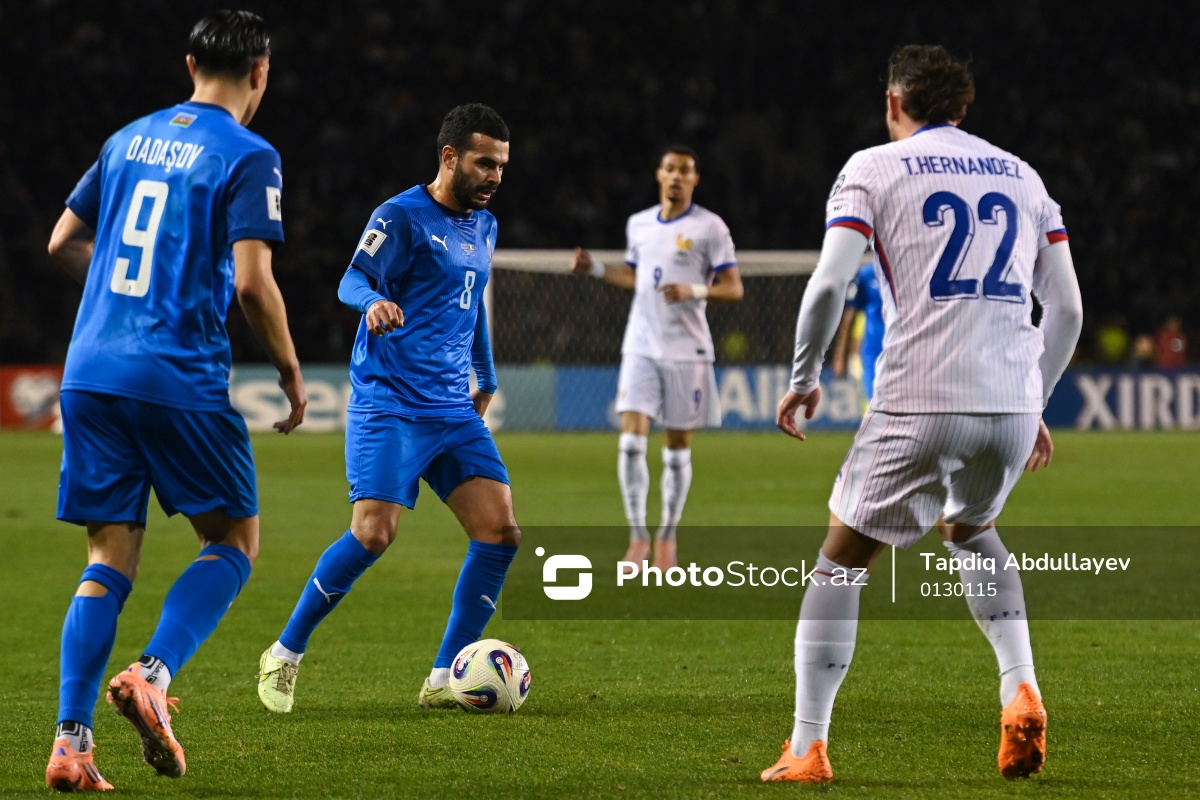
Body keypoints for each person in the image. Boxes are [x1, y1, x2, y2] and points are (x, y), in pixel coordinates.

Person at [762, 45, 1083, 783]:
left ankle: (808, 746)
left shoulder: (872, 167)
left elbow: (827, 286)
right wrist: (1033, 399)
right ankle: (1019, 683)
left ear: (891, 102)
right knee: (972, 531)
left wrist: (804, 378)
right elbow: (1066, 308)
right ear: (963, 108)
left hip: (918, 395)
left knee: (840, 565)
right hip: (1007, 401)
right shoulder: (1024, 176)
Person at [44, 10, 307, 792]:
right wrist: (291, 369)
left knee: (106, 559)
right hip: (176, 369)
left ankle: (71, 742)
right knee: (233, 539)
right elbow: (254, 282)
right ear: (260, 72)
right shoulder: (250, 153)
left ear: (189, 62)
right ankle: (153, 674)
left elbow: (61, 242)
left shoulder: (124, 139)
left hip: (89, 369)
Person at [257, 104, 518, 713]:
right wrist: (373, 302)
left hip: (453, 407)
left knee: (499, 533)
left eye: (502, 166)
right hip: (391, 402)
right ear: (449, 157)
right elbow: (352, 279)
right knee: (374, 533)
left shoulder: (485, 226)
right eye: (485, 162)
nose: (495, 176)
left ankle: (443, 678)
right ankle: (285, 653)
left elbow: (471, 301)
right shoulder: (399, 215)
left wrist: (488, 375)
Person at [570, 145, 743, 570]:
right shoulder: (639, 224)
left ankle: (667, 534)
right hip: (641, 345)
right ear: (659, 175)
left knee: (677, 445)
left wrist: (695, 290)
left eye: (685, 171)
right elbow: (634, 275)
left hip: (688, 351)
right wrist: (594, 269)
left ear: (695, 179)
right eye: (670, 169)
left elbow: (734, 287)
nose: (677, 177)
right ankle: (637, 537)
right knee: (630, 440)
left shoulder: (710, 227)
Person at [830, 262, 884, 402]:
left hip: (903, 351)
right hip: (874, 353)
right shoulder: (866, 276)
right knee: (874, 403)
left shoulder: (907, 273)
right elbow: (850, 315)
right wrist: (840, 355)